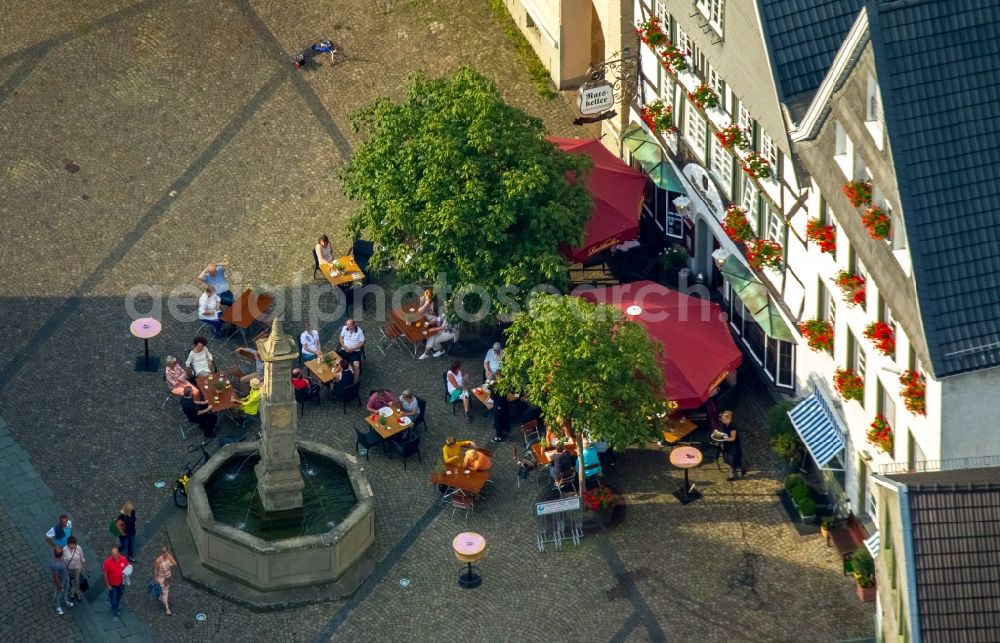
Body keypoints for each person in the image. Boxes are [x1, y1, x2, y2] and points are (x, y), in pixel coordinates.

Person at [102, 546, 129, 622]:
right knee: (113, 600)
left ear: (118, 553)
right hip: (112, 585)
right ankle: (115, 612)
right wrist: (108, 585)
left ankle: (116, 604)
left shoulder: (123, 559)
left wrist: (126, 574)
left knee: (119, 595)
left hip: (121, 583)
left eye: (116, 554)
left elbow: (128, 567)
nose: (114, 556)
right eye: (113, 555)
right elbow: (105, 574)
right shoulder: (107, 562)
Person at [718, 410, 746, 480]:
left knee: (732, 461)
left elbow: (733, 438)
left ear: (728, 418)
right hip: (727, 445)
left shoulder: (733, 426)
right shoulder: (725, 424)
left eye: (723, 419)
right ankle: (742, 468)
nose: (722, 420)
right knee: (730, 460)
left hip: (733, 447)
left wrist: (722, 439)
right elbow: (725, 434)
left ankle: (732, 475)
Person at [153, 545, 176, 616]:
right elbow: (156, 571)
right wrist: (156, 579)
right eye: (163, 552)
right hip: (161, 578)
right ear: (161, 552)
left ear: (168, 551)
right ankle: (167, 608)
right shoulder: (158, 561)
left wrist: (170, 564)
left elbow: (175, 563)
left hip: (168, 576)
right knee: (164, 592)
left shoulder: (169, 556)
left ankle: (161, 596)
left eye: (166, 552)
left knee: (166, 590)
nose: (165, 553)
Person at [62, 536, 86, 601]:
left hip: (77, 568)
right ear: (68, 544)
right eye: (71, 544)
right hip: (69, 569)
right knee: (71, 582)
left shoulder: (79, 548)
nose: (72, 546)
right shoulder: (65, 549)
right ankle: (72, 592)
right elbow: (63, 560)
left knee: (77, 582)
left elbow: (82, 558)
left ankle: (78, 593)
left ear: (76, 543)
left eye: (73, 544)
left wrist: (83, 567)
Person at [50, 546, 72, 615]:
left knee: (66, 589)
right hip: (60, 581)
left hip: (66, 577)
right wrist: (59, 585)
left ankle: (65, 600)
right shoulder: (55, 564)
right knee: (58, 593)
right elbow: (55, 576)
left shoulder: (61, 558)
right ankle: (57, 606)